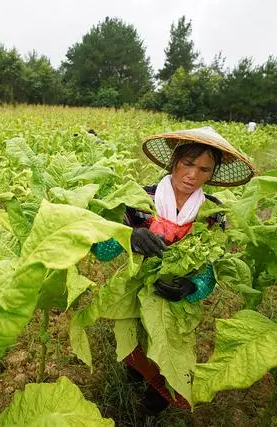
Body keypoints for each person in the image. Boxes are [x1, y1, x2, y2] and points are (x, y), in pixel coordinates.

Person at [91, 126, 256, 414]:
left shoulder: (213, 214)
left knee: (170, 358)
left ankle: (154, 405)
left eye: (204, 169)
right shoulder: (141, 199)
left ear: (212, 174)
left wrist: (191, 288)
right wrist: (127, 236)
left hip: (176, 304)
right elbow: (101, 252)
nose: (193, 175)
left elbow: (210, 271)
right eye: (188, 164)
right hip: (134, 290)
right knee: (134, 345)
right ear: (175, 161)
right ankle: (131, 385)